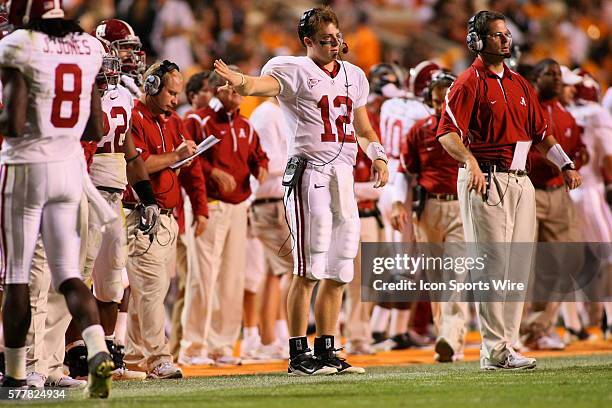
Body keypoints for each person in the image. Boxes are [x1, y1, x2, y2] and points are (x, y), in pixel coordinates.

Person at [213, 5, 389, 375]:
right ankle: (297, 354)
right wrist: (240, 81)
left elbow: (364, 128)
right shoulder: (293, 68)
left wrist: (379, 156)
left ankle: (326, 350)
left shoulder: (354, 76)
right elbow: (261, 87)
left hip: (343, 176)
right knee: (308, 266)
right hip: (310, 173)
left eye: (337, 38)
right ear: (308, 41)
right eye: (325, 40)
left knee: (340, 269)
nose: (334, 45)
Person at [436, 10, 581, 370]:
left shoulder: (519, 83)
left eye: (506, 34)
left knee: (517, 268)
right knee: (492, 266)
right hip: (486, 176)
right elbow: (447, 132)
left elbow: (541, 134)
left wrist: (564, 163)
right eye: (497, 35)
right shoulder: (468, 82)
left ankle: (507, 346)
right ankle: (493, 350)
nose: (506, 40)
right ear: (477, 41)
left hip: (521, 179)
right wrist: (469, 164)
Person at [0, 0, 118, 397]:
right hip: (71, 170)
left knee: (17, 275)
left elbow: (13, 125)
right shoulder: (88, 47)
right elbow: (95, 125)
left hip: (28, 166)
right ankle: (99, 350)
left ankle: (16, 376)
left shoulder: (19, 43)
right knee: (68, 273)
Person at [122, 60, 208, 378]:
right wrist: (175, 157)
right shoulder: (134, 116)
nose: (175, 99)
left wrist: (181, 163)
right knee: (151, 289)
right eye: (171, 93)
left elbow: (176, 165)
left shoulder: (171, 120)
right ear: (152, 86)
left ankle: (132, 356)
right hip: (143, 213)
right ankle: (158, 357)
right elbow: (139, 164)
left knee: (150, 290)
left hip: (168, 216)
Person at [179, 67, 269, 366]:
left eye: (238, 89)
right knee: (202, 278)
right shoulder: (197, 120)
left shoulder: (245, 124)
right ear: (217, 90)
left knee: (232, 279)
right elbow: (187, 160)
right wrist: (211, 171)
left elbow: (259, 156)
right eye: (231, 89)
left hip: (238, 207)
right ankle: (193, 347)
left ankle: (222, 346)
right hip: (210, 205)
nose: (237, 94)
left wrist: (261, 168)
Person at [391, 71, 469, 362]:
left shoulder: (471, 127)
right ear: (428, 100)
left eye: (445, 100)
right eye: (436, 101)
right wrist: (399, 203)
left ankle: (451, 337)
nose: (440, 107)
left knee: (455, 276)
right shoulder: (420, 130)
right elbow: (405, 170)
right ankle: (446, 338)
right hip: (428, 210)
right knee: (437, 281)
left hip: (462, 206)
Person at [521, 59, 587, 351]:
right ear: (536, 78)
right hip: (529, 190)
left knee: (567, 260)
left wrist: (576, 162)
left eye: (559, 75)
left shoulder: (566, 115)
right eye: (551, 74)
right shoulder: (527, 108)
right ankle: (515, 331)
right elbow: (523, 152)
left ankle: (540, 328)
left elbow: (578, 150)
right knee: (522, 265)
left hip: (559, 194)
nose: (558, 80)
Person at [242, 96, 293, 360]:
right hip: (267, 201)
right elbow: (265, 164)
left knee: (277, 272)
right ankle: (268, 338)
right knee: (281, 271)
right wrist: (299, 162)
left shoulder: (277, 113)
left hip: (275, 201)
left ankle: (274, 337)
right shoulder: (266, 115)